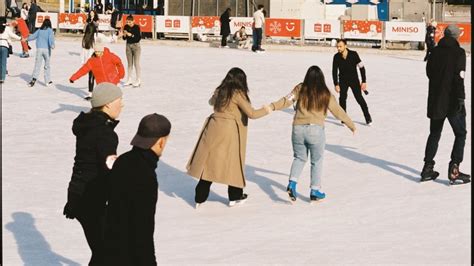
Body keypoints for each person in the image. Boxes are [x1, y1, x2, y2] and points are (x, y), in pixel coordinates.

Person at [267, 66, 356, 202]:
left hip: (298, 129)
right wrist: (351, 125)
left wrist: (272, 106)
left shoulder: (300, 88)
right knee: (316, 160)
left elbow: (286, 100)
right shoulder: (325, 93)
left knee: (299, 158)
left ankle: (292, 183)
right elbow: (338, 111)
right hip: (316, 130)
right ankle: (315, 190)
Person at [187, 67, 271, 208]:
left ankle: (199, 197)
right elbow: (252, 113)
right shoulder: (237, 94)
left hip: (213, 127)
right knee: (233, 162)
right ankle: (235, 196)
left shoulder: (221, 91)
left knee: (209, 162)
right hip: (229, 130)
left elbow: (211, 103)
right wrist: (267, 109)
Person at [63, 83, 124, 265]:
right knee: (106, 251)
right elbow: (109, 168)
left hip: (81, 194)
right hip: (91, 198)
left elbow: (84, 163)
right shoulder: (104, 133)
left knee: (104, 250)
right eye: (119, 101)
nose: (122, 105)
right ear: (107, 104)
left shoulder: (89, 125)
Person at [105, 113, 171, 266]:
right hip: (129, 256)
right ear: (161, 142)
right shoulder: (146, 176)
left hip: (110, 248)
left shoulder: (123, 160)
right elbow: (143, 231)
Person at [420, 24, 470, 185]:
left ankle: (427, 168)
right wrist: (461, 99)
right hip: (453, 101)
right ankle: (454, 169)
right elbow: (459, 77)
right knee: (460, 133)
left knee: (434, 133)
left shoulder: (434, 52)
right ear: (456, 37)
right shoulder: (459, 53)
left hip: (436, 100)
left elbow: (429, 73)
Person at [332, 39, 372, 125]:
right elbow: (334, 71)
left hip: (354, 80)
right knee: (342, 98)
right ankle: (344, 117)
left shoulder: (354, 54)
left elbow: (362, 68)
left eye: (340, 46)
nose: (338, 48)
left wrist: (364, 81)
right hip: (343, 81)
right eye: (337, 47)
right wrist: (336, 84)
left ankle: (367, 117)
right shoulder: (336, 57)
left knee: (359, 99)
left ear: (345, 46)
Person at [77, 23, 116, 100]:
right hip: (98, 59)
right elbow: (110, 40)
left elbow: (83, 50)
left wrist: (83, 62)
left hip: (89, 61)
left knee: (91, 77)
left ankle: (90, 94)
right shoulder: (98, 36)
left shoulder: (85, 37)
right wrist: (114, 35)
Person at [27, 18, 55, 87]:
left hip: (39, 49)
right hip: (46, 50)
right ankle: (47, 81)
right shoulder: (50, 30)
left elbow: (32, 36)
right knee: (47, 65)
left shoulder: (39, 30)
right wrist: (52, 45)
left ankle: (33, 79)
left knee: (37, 65)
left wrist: (26, 39)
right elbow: (50, 39)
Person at [120, 15, 141, 87]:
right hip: (128, 46)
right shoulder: (125, 27)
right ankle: (129, 79)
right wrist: (124, 35)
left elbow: (138, 38)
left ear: (133, 21)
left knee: (136, 63)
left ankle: (138, 79)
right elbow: (124, 38)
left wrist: (131, 35)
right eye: (127, 22)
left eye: (130, 22)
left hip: (136, 46)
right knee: (129, 64)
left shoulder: (136, 27)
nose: (128, 23)